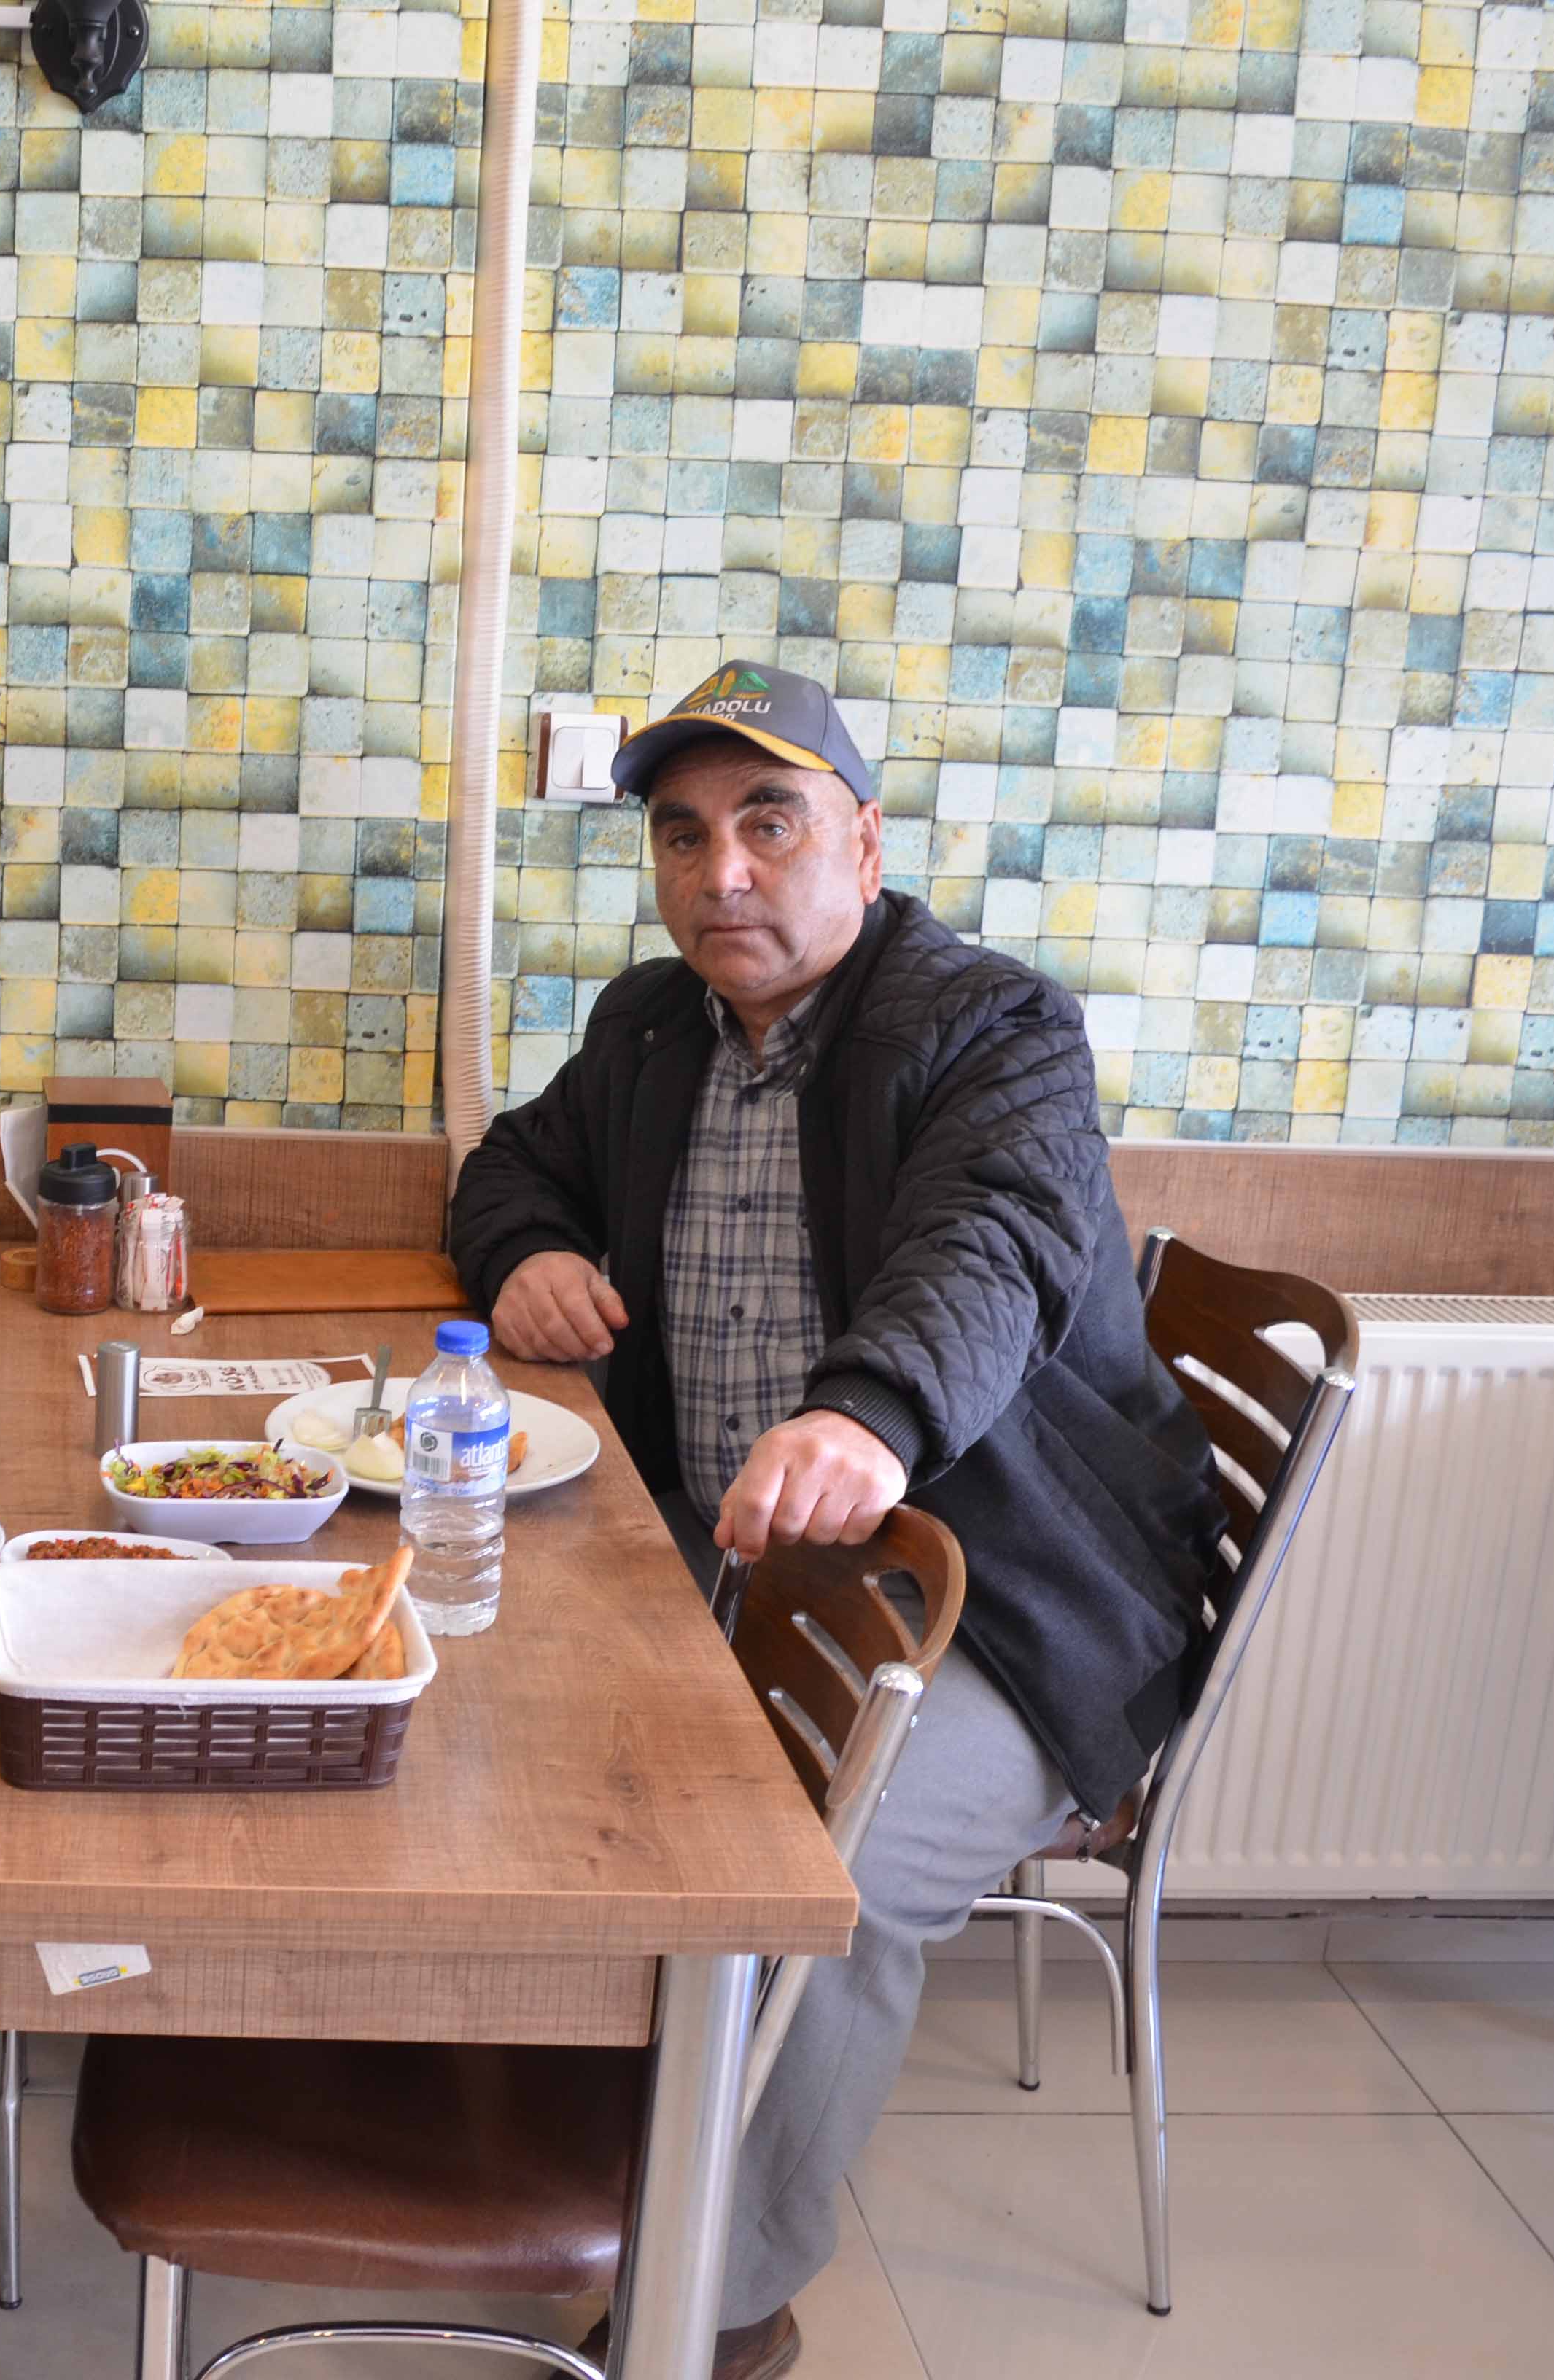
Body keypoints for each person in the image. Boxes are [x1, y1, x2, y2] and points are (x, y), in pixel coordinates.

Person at [448, 663, 1216, 2380]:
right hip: (721, 1558)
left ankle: (715, 2301)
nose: (721, 871)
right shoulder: (652, 1028)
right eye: (682, 834)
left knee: (828, 1874)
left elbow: (992, 1246)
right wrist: (528, 1252)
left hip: (1000, 1600)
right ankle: (532, 2118)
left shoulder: (992, 1029)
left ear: (863, 847)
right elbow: (508, 1164)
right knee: (468, 1672)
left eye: (768, 823)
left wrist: (868, 1415)